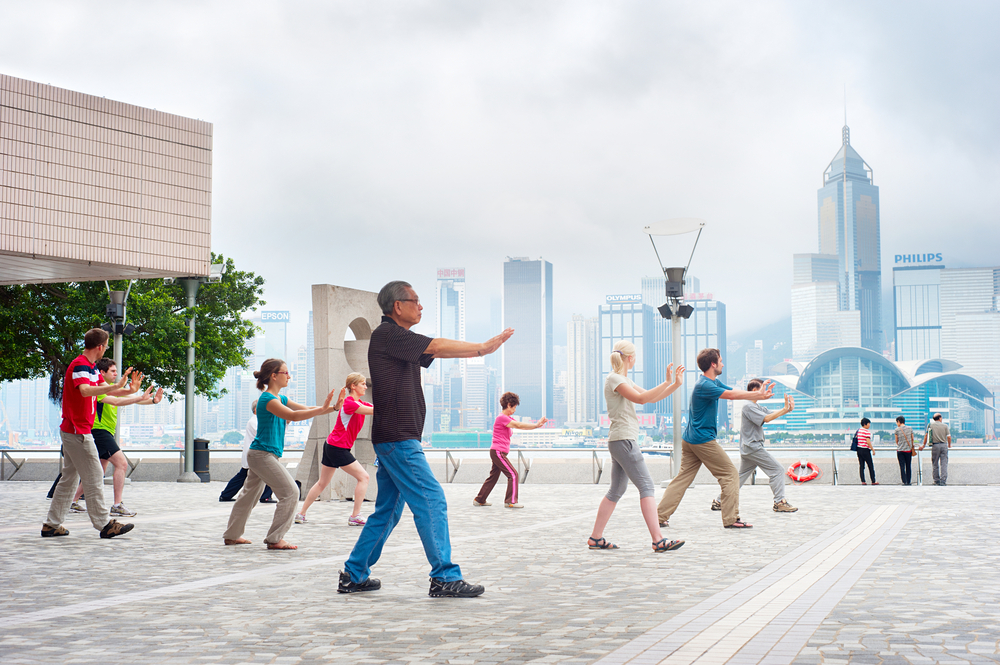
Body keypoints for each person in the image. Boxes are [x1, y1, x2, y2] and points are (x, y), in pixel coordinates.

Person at [339, 280, 513, 597]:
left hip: (395, 438)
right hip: (398, 439)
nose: (420, 307)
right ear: (397, 306)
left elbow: (430, 349)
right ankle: (444, 576)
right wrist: (482, 349)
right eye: (415, 301)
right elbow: (436, 346)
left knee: (388, 512)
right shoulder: (388, 334)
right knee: (432, 500)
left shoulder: (395, 338)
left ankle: (354, 573)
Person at [222, 359, 342, 550]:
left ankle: (232, 536)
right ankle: (275, 538)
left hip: (264, 454)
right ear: (274, 376)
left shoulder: (281, 399)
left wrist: (334, 407)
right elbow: (293, 416)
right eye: (286, 373)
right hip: (262, 455)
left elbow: (306, 409)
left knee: (249, 496)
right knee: (291, 492)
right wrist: (325, 409)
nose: (289, 376)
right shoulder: (267, 399)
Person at [656, 348, 772, 530]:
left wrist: (758, 395)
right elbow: (732, 396)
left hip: (691, 439)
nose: (723, 364)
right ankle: (731, 518)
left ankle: (659, 516)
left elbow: (733, 391)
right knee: (730, 474)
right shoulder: (705, 385)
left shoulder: (711, 382)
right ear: (713, 364)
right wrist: (758, 395)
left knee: (682, 479)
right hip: (702, 440)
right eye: (721, 361)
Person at [587, 341, 686, 552]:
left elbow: (650, 398)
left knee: (616, 489)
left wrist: (674, 384)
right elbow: (641, 399)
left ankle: (596, 538)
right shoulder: (615, 379)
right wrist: (667, 381)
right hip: (624, 440)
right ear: (630, 358)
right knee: (647, 487)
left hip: (620, 440)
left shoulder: (624, 379)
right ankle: (658, 539)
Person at [41, 328, 137, 539]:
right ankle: (104, 524)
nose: (106, 350)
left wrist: (128, 390)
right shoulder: (80, 365)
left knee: (68, 480)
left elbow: (107, 391)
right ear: (100, 346)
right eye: (106, 346)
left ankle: (51, 524)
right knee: (94, 475)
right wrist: (112, 387)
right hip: (77, 431)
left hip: (76, 431)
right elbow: (85, 390)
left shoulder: (92, 368)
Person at [67, 358, 160, 517]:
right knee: (122, 464)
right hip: (98, 431)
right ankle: (117, 505)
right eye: (113, 371)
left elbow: (128, 400)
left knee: (99, 471)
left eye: (117, 371)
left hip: (105, 432)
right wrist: (137, 396)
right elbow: (117, 401)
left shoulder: (109, 389)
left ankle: (73, 501)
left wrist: (153, 401)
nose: (116, 374)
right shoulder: (97, 389)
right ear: (102, 373)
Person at [710, 380, 798, 513]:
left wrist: (787, 409)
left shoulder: (756, 406)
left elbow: (771, 414)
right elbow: (767, 419)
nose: (763, 393)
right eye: (761, 390)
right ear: (753, 392)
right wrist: (785, 409)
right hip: (753, 447)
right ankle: (779, 502)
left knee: (739, 477)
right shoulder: (748, 406)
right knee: (778, 470)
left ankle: (719, 501)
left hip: (748, 448)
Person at [297, 373, 373, 526]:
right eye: (363, 384)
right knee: (364, 477)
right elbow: (376, 411)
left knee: (322, 483)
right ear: (353, 386)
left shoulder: (360, 403)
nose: (365, 386)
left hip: (331, 445)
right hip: (338, 448)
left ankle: (300, 514)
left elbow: (374, 407)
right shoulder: (350, 403)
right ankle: (355, 516)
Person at [473, 392, 547, 509]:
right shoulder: (501, 418)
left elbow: (520, 426)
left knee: (493, 477)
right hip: (498, 452)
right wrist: (536, 425)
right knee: (513, 474)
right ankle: (510, 501)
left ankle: (479, 499)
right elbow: (517, 425)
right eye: (514, 407)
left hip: (498, 452)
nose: (515, 410)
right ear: (508, 405)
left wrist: (536, 426)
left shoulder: (507, 418)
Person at [218, 401, 274, 503]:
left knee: (245, 476)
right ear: (256, 410)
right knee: (269, 473)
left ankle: (226, 495)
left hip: (255, 453)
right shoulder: (254, 421)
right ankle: (265, 496)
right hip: (254, 454)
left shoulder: (258, 420)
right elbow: (263, 434)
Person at [919, 413, 951, 486]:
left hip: (935, 446)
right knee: (944, 464)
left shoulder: (930, 425)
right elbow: (949, 437)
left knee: (935, 463)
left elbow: (926, 435)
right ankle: (943, 480)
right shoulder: (945, 426)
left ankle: (936, 480)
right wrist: (949, 445)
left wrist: (923, 445)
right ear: (940, 418)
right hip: (943, 445)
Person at [854, 418, 877, 485]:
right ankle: (873, 481)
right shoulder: (867, 431)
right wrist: (873, 449)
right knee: (870, 466)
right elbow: (868, 442)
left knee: (861, 466)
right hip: (865, 450)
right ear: (865, 424)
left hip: (859, 450)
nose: (869, 425)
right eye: (868, 424)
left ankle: (863, 481)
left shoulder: (858, 431)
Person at [893, 416, 915, 485]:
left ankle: (904, 481)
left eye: (897, 422)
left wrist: (901, 445)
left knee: (902, 466)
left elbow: (896, 441)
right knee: (908, 466)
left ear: (899, 421)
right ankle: (908, 481)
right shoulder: (910, 428)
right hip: (908, 451)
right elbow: (912, 439)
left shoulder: (897, 430)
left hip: (900, 451)